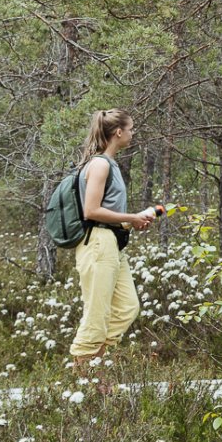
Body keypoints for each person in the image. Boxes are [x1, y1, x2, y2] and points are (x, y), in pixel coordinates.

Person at [68, 108, 157, 378]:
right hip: (97, 243)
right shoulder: (100, 165)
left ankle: (94, 363)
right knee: (97, 314)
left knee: (127, 307)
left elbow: (105, 212)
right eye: (130, 129)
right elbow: (91, 211)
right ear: (118, 132)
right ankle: (84, 380)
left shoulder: (111, 164)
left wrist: (132, 221)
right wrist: (131, 217)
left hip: (112, 242)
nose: (133, 133)